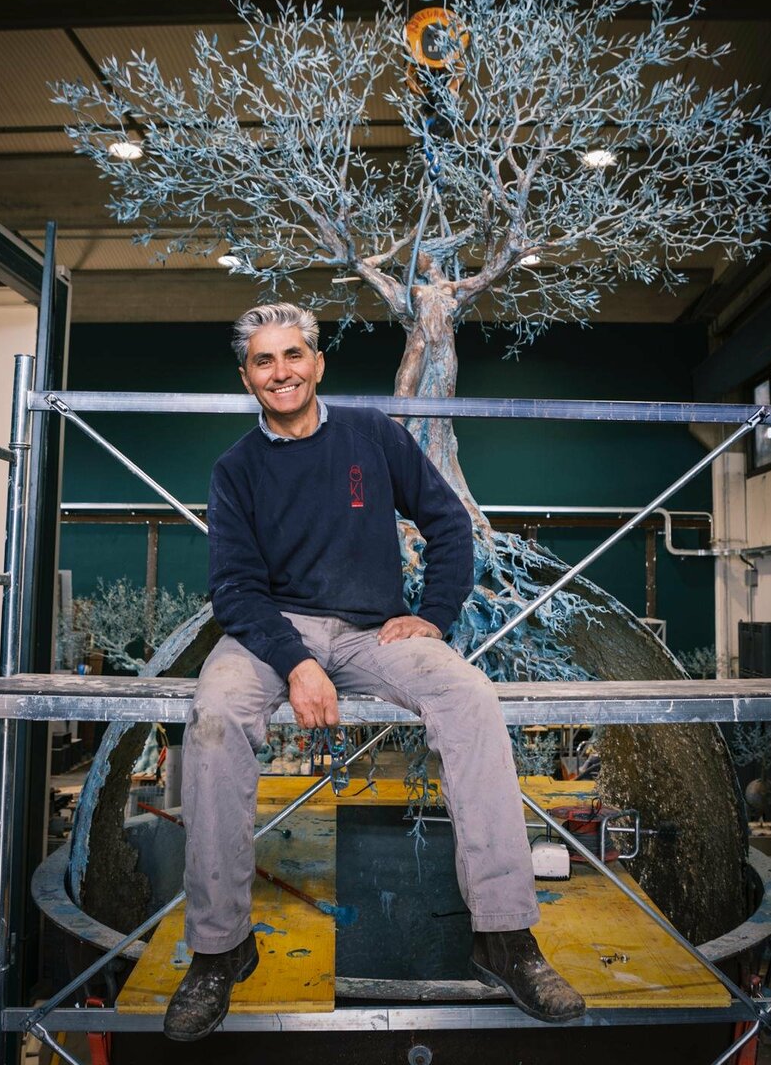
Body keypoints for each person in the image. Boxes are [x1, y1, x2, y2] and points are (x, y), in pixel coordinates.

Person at [164, 303, 585, 1041]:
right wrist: (296, 663)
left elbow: (449, 522)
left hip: (373, 632)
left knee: (470, 696)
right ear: (247, 378)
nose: (281, 372)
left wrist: (436, 614)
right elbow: (234, 589)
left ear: (317, 362)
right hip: (273, 631)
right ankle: (219, 948)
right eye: (264, 361)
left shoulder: (373, 435)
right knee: (214, 716)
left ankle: (504, 936)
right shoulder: (236, 468)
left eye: (293, 355)